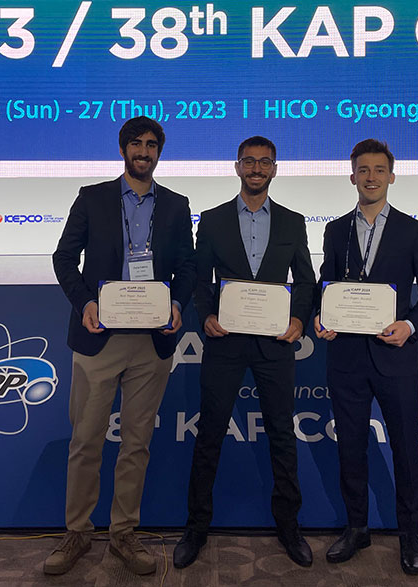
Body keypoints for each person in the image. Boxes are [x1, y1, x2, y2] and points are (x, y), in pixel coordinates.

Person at [48, 116, 196, 576]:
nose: (143, 151)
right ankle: (77, 532)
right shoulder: (92, 197)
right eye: (136, 144)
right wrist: (86, 302)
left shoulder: (176, 205)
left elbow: (189, 267)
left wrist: (177, 303)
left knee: (136, 444)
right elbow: (63, 258)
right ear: (122, 149)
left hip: (151, 342)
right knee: (85, 442)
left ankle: (123, 533)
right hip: (99, 339)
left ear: (159, 153)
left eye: (151, 145)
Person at [174, 136, 316, 569]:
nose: (257, 168)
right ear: (237, 166)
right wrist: (206, 315)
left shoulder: (293, 221)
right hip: (225, 342)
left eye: (265, 162)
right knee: (210, 434)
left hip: (276, 344)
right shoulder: (212, 219)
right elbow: (200, 278)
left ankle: (289, 526)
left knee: (282, 435)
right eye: (249, 161)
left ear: (275, 169)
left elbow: (305, 280)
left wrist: (298, 319)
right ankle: (196, 527)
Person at [314, 139, 418, 576]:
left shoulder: (413, 231)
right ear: (352, 176)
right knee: (351, 448)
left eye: (378, 170)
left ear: (391, 176)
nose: (371, 177)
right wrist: (320, 315)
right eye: (363, 170)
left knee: (406, 448)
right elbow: (326, 286)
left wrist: (410, 326)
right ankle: (357, 528)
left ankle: (410, 535)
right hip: (347, 359)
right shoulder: (335, 230)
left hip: (396, 359)